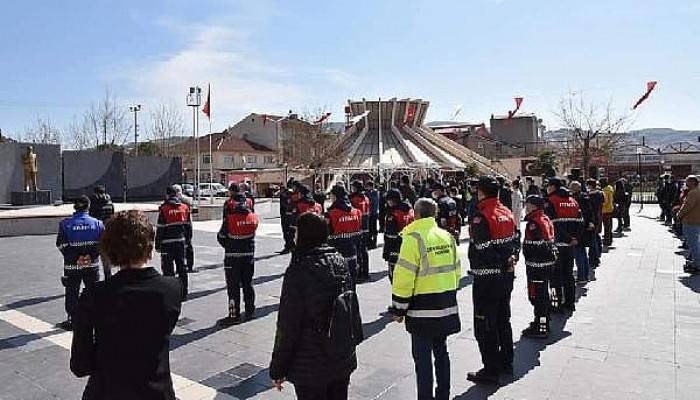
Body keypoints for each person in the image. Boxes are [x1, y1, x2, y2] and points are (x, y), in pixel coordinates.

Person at [70, 210, 182, 399]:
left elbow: (80, 365)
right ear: (149, 247)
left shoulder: (95, 295)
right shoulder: (172, 288)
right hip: (156, 392)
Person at [270, 212, 357, 400]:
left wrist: (278, 368)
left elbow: (288, 325)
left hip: (310, 364)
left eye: (297, 232)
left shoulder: (298, 270)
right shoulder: (340, 261)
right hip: (341, 357)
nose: (294, 236)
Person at [390, 198, 461, 400]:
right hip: (445, 305)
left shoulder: (413, 238)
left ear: (416, 213)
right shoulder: (446, 236)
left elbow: (403, 278)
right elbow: (456, 271)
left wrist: (398, 309)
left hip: (422, 310)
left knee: (422, 360)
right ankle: (443, 395)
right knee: (442, 353)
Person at [467, 176, 519, 383]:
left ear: (481, 192)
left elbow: (483, 248)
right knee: (502, 320)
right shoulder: (506, 212)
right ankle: (506, 362)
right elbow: (516, 239)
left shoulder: (482, 217)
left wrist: (500, 262)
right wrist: (511, 258)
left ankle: (490, 369)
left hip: (487, 279)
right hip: (506, 276)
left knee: (485, 324)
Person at [56, 195, 103, 330]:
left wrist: (76, 258)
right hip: (92, 264)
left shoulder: (65, 224)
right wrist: (90, 256)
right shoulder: (97, 224)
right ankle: (94, 317)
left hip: (72, 266)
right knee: (93, 290)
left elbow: (61, 244)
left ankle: (73, 320)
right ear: (89, 206)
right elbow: (103, 244)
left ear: (74, 206)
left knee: (72, 291)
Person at [217, 190, 259, 324]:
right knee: (248, 283)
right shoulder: (254, 217)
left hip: (232, 257)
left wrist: (229, 246)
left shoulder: (230, 218)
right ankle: (250, 310)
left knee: (233, 287)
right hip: (248, 256)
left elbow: (221, 236)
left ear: (235, 203)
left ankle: (234, 315)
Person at [545, 177, 584, 313]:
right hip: (571, 245)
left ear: (553, 187)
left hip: (557, 244)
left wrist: (567, 238)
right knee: (568, 274)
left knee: (555, 275)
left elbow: (553, 224)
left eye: (548, 186)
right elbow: (580, 222)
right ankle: (570, 302)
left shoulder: (551, 202)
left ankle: (557, 303)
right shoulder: (573, 201)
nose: (547, 188)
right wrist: (575, 239)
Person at [521, 195, 557, 338]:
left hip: (537, 266)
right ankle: (542, 321)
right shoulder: (545, 218)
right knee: (543, 296)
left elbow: (537, 246)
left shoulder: (534, 223)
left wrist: (527, 255)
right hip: (547, 264)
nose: (526, 206)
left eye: (527, 204)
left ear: (534, 206)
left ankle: (541, 327)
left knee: (538, 298)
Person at [155, 185, 192, 300]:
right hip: (180, 242)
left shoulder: (164, 209)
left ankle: (170, 294)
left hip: (167, 244)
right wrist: (187, 241)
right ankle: (184, 293)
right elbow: (188, 227)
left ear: (167, 195)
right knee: (182, 268)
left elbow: (160, 228)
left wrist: (157, 245)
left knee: (168, 270)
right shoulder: (184, 208)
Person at [325, 185, 362, 284]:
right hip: (353, 251)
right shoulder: (356, 212)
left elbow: (326, 233)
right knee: (352, 281)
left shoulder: (331, 213)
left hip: (336, 253)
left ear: (335, 196)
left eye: (331, 195)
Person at [383, 188, 415, 282]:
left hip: (395, 247)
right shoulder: (410, 210)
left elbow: (390, 235)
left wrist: (387, 252)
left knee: (394, 274)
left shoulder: (392, 214)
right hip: (410, 245)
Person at [88, 184, 115, 279]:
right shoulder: (110, 203)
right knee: (106, 258)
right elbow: (112, 216)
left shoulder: (94, 203)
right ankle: (108, 277)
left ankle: (94, 279)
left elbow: (91, 218)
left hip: (95, 232)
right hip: (107, 232)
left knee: (93, 257)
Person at [570, 181, 593, 283]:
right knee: (583, 252)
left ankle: (581, 277)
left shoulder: (574, 200)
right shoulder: (586, 197)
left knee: (578, 253)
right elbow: (590, 212)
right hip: (585, 227)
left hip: (577, 228)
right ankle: (585, 274)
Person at [677, 175, 700, 274]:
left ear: (693, 182)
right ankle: (696, 261)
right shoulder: (697, 191)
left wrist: (679, 214)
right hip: (695, 220)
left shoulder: (694, 192)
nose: (686, 184)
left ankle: (697, 263)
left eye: (688, 182)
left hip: (691, 220)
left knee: (693, 243)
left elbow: (687, 206)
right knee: (695, 242)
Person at [349, 181, 371, 281]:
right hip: (366, 226)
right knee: (364, 250)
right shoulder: (365, 198)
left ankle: (359, 272)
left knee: (357, 250)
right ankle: (365, 271)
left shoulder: (353, 199)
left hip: (358, 227)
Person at [173, 184, 195, 273]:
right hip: (186, 225)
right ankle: (187, 266)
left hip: (182, 226)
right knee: (187, 246)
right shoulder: (187, 200)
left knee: (184, 246)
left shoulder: (181, 201)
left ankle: (184, 266)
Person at [585, 179, 604, 272]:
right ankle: (597, 254)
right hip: (598, 216)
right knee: (596, 237)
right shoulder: (600, 194)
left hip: (592, 218)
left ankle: (593, 259)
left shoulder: (590, 195)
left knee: (593, 239)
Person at [279, 179, 295, 253]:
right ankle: (290, 246)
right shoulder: (291, 193)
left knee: (287, 232)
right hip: (287, 215)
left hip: (287, 215)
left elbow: (287, 205)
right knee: (289, 232)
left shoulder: (288, 194)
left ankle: (289, 247)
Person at [600, 177, 615, 250]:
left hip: (605, 210)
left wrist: (599, 204)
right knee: (609, 225)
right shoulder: (610, 188)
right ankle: (610, 238)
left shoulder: (605, 190)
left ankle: (607, 240)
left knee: (606, 226)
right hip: (610, 208)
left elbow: (604, 201)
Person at [366, 181, 380, 249]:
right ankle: (373, 242)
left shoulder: (372, 193)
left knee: (371, 228)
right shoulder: (376, 192)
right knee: (373, 228)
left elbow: (371, 202)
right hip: (374, 213)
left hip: (371, 213)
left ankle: (372, 243)